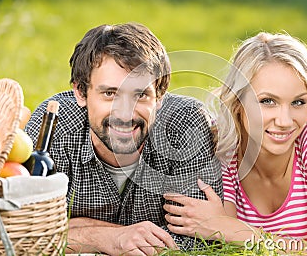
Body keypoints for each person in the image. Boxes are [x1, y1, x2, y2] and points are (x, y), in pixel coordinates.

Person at [163, 32, 307, 255]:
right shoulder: (224, 144)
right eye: (267, 101)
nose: (284, 121)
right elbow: (224, 246)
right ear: (238, 102)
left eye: (298, 102)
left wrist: (236, 231)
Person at [25, 22, 222, 256]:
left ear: (159, 97)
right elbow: (24, 232)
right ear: (81, 92)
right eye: (110, 94)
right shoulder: (54, 124)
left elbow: (202, 238)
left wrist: (73, 230)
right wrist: (109, 238)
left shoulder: (187, 123)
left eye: (140, 95)